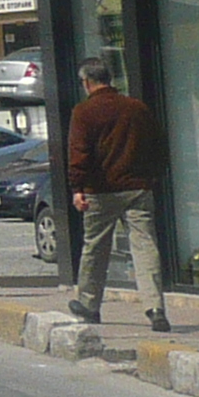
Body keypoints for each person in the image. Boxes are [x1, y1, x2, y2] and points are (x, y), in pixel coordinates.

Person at [65, 60, 172, 333]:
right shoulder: (136, 108)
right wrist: (152, 178)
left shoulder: (84, 112)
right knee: (145, 247)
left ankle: (89, 304)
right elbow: (158, 145)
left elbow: (79, 153)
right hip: (137, 188)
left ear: (87, 82)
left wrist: (77, 188)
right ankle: (156, 308)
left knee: (95, 248)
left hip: (100, 191)